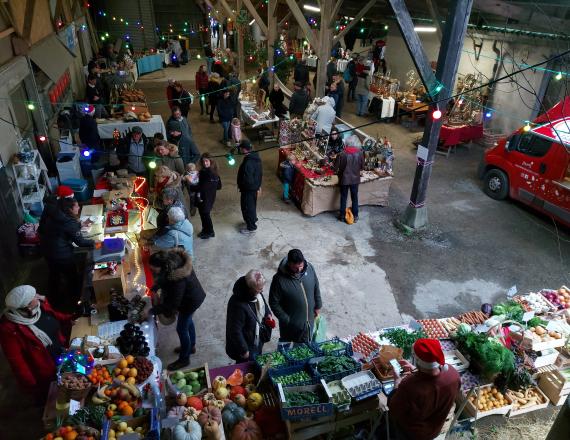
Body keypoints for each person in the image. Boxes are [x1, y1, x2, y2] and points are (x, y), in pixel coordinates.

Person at [0, 285, 72, 399]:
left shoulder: (40, 307)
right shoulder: (9, 330)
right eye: (34, 296)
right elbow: (18, 364)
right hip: (47, 371)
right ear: (27, 306)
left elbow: (56, 316)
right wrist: (34, 388)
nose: (38, 296)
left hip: (64, 354)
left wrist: (72, 318)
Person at [381, 339, 460, 440]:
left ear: (417, 360)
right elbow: (433, 380)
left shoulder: (409, 386)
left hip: (413, 434)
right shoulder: (453, 375)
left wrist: (397, 381)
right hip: (436, 429)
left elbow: (394, 411)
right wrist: (415, 369)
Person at [148, 249, 206, 370]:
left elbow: (172, 305)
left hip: (190, 302)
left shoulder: (178, 279)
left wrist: (151, 311)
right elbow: (165, 278)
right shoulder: (172, 263)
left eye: (154, 269)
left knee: (182, 329)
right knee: (188, 322)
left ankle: (184, 359)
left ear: (163, 266)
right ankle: (191, 346)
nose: (152, 272)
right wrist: (157, 286)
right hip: (191, 297)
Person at [38, 197, 95, 308]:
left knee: (54, 274)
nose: (79, 207)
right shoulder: (68, 221)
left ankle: (52, 300)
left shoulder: (56, 214)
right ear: (69, 209)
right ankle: (72, 302)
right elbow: (81, 242)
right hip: (61, 254)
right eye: (77, 206)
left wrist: (79, 225)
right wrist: (97, 242)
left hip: (47, 250)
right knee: (72, 276)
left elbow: (63, 228)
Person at [269, 249, 322, 344]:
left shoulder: (309, 268)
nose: (299, 270)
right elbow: (273, 302)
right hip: (289, 327)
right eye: (295, 268)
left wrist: (318, 305)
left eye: (301, 266)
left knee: (303, 350)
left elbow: (316, 286)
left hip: (308, 322)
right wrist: (286, 319)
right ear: (289, 264)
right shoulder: (279, 280)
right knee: (285, 350)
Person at [226, 270, 274, 363]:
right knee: (247, 368)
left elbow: (264, 304)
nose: (262, 290)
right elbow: (235, 330)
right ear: (250, 289)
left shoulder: (256, 292)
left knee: (257, 360)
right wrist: (244, 350)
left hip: (256, 337)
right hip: (247, 344)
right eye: (259, 289)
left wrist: (268, 314)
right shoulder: (237, 305)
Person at [335, 135, 364, 223]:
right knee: (354, 197)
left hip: (344, 179)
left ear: (347, 143)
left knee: (343, 197)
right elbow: (362, 167)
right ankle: (355, 216)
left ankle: (342, 216)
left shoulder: (341, 154)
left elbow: (336, 168)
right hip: (355, 180)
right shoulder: (360, 153)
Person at [237, 140, 263, 235]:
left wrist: (242, 186)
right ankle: (252, 220)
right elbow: (260, 174)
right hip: (253, 188)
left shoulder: (248, 162)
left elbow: (247, 179)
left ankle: (251, 227)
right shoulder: (255, 158)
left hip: (248, 190)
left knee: (248, 207)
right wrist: (259, 186)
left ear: (244, 149)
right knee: (251, 206)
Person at [196, 153, 222, 239]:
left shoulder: (210, 173)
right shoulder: (207, 172)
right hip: (205, 197)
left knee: (205, 214)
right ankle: (205, 230)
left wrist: (191, 183)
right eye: (203, 161)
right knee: (203, 214)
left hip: (206, 198)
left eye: (207, 161)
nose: (205, 163)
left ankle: (210, 232)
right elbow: (219, 186)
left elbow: (202, 187)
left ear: (211, 161)